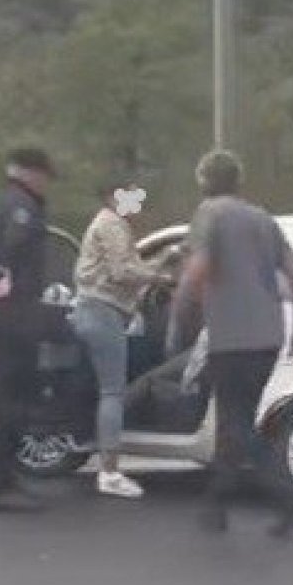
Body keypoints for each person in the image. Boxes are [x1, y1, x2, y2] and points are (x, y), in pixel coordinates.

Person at [168, 149, 293, 538]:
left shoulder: (209, 214)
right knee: (236, 422)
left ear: (204, 181)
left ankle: (289, 500)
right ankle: (215, 507)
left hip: (232, 337)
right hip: (268, 337)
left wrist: (180, 322)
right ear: (238, 180)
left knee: (237, 424)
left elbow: (195, 274)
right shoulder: (263, 219)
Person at [72, 181, 170, 498]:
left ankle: (91, 443)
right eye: (130, 198)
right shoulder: (113, 225)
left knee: (102, 387)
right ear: (113, 198)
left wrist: (160, 263)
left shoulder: (107, 225)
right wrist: (161, 276)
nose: (136, 204)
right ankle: (110, 472)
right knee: (113, 391)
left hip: (93, 310)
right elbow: (122, 272)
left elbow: (129, 269)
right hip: (103, 311)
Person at [0, 147, 56, 512]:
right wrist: (18, 299)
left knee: (7, 397)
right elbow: (14, 250)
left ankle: (7, 476)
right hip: (13, 316)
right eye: (45, 176)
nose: (47, 184)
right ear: (30, 173)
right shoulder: (23, 209)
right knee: (14, 401)